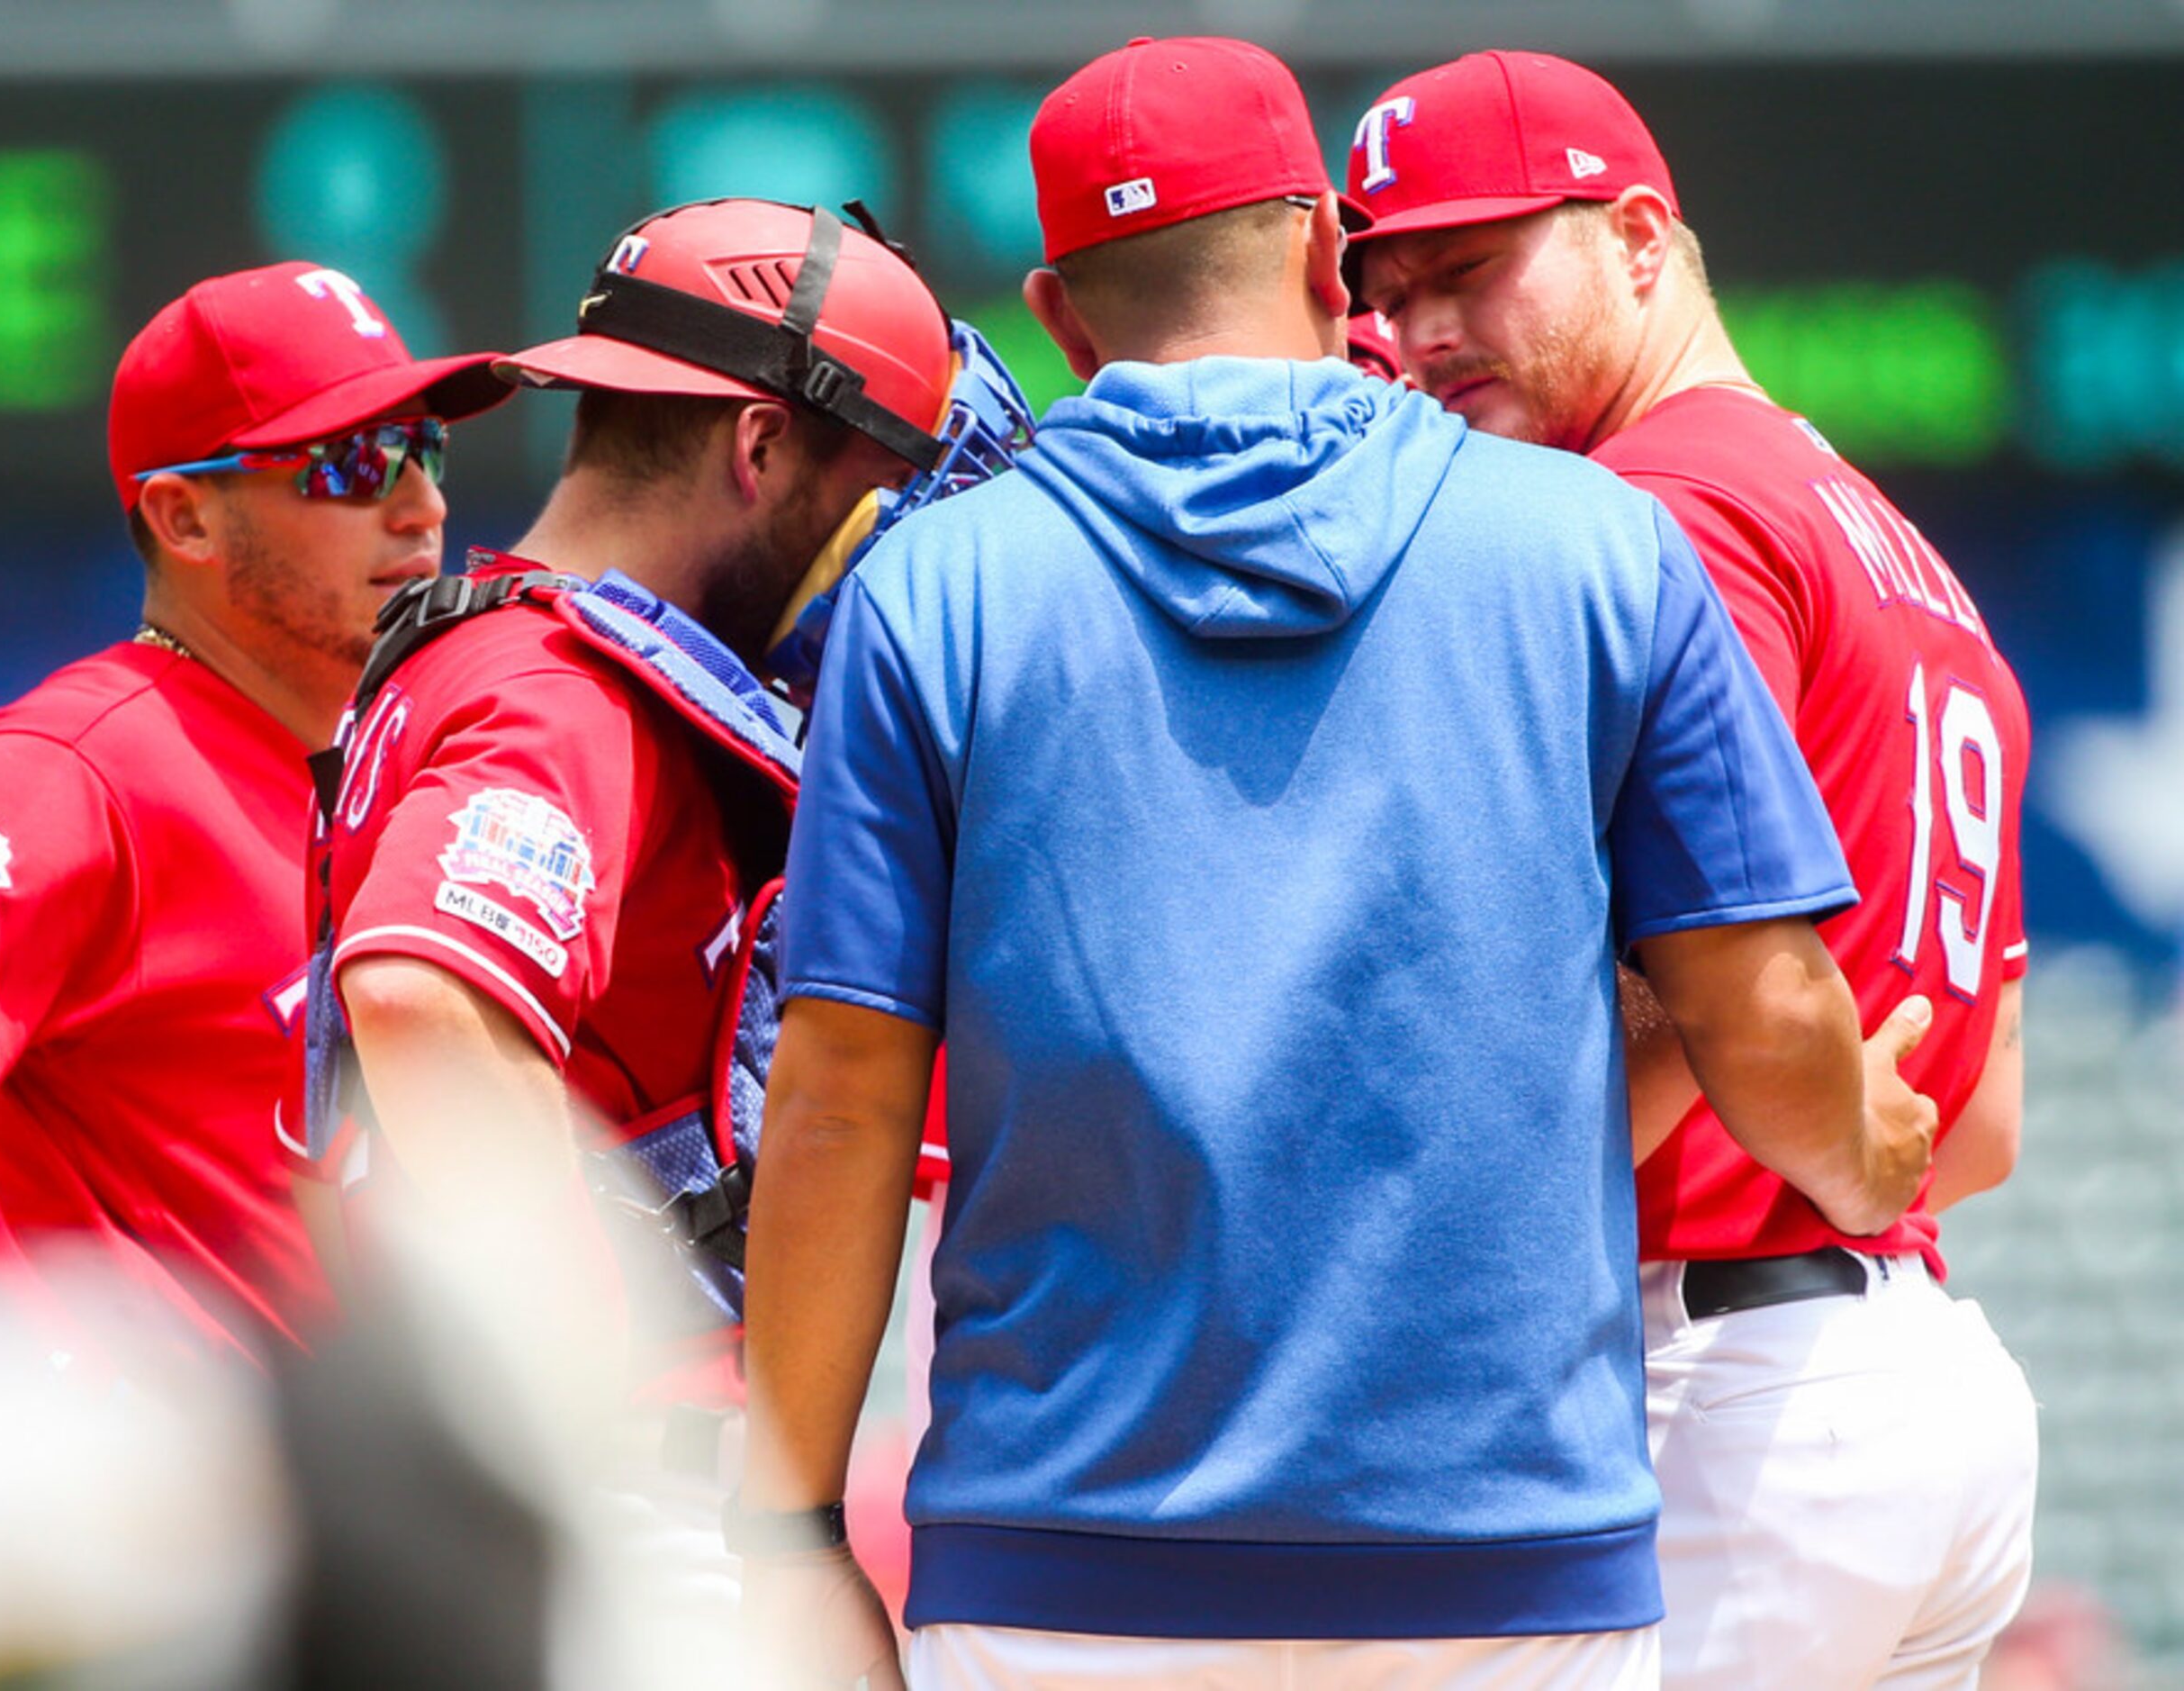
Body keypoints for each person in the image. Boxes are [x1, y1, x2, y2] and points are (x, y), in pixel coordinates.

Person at [736, 34, 1938, 1691]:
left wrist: (789, 1515)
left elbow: (843, 1097)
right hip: (1509, 1565)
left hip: (1065, 1566)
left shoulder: (934, 591)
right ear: (1323, 250)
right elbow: (1759, 1001)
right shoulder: (1598, 546)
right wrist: (1871, 1158)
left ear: (1058, 312)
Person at [1349, 50, 2039, 1689]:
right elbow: (1986, 1124)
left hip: (1721, 1392)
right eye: (1388, 286)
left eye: (1471, 266)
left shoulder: (1654, 510)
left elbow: (1667, 977)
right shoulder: (1882, 531)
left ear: (1641, 239)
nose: (1425, 328)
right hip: (1900, 1378)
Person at [295, 198, 1020, 1637]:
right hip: (624, 1500)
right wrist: (574, 1416)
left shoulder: (500, 640)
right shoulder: (566, 694)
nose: (895, 551)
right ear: (760, 446)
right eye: (880, 493)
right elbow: (421, 998)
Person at [0, 262, 507, 1373]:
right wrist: (51, 1390)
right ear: (185, 516)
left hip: (382, 1506)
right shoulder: (79, 763)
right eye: (351, 463)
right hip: (201, 1514)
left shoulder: (381, 773)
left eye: (424, 449)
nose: (419, 503)